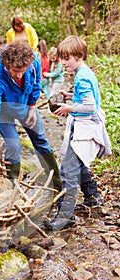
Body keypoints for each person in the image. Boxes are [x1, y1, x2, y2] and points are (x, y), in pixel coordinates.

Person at [44, 35, 112, 231]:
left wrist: (69, 108)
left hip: (86, 128)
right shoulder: (85, 72)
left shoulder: (81, 76)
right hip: (86, 126)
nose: (63, 62)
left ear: (79, 56)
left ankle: (65, 217)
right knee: (78, 162)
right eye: (62, 58)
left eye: (66, 58)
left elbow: (90, 106)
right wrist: (71, 96)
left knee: (68, 171)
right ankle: (92, 197)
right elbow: (88, 98)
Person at [0, 40, 62, 191]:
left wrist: (32, 106)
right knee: (13, 145)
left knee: (40, 139)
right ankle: (12, 187)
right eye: (15, 70)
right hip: (3, 111)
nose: (19, 75)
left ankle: (57, 182)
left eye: (23, 70)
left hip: (24, 105)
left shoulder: (33, 61)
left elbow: (37, 83)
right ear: (6, 64)